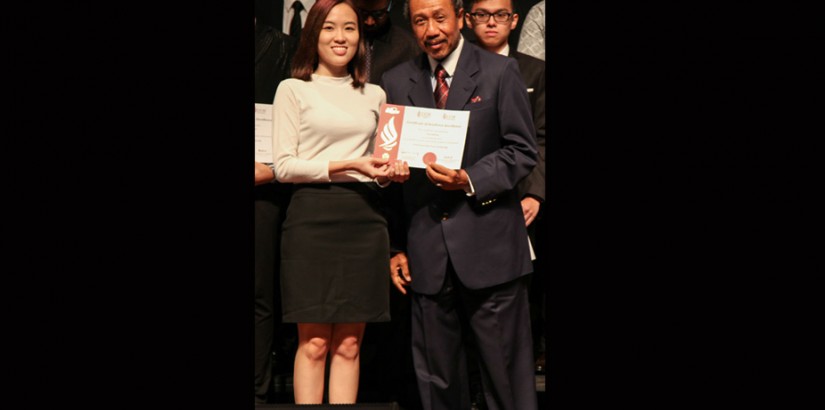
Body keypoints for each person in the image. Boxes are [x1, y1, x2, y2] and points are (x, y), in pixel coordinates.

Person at [381, 0, 539, 408]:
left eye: (439, 18)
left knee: (507, 382)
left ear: (460, 17)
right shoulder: (397, 80)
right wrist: (397, 245)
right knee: (437, 384)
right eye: (420, 20)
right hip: (427, 253)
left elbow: (522, 151)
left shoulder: (500, 71)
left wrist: (469, 179)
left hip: (491, 248)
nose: (431, 29)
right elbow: (389, 167)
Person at [271, 0, 409, 404]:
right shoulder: (293, 89)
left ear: (360, 36)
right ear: (313, 34)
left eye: (349, 28)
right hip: (311, 219)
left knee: (349, 344)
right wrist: (350, 163)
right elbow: (283, 166)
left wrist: (391, 173)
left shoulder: (376, 94)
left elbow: (381, 167)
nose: (340, 37)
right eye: (329, 28)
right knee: (313, 344)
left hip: (365, 221)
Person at [464, 0, 546, 377]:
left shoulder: (535, 70)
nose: (491, 22)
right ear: (467, 18)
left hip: (520, 197)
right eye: (482, 14)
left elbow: (540, 139)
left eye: (500, 15)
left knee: (519, 295)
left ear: (514, 20)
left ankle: (522, 372)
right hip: (466, 192)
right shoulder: (456, 69)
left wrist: (534, 194)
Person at [254, 18, 298, 405]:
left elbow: (297, 129)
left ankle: (257, 390)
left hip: (265, 189)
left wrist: (270, 171)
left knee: (260, 293)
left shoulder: (280, 48)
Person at [353, 0, 421, 84]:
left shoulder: (409, 46)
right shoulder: (340, 41)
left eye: (378, 14)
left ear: (390, 5)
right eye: (362, 13)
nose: (369, 22)